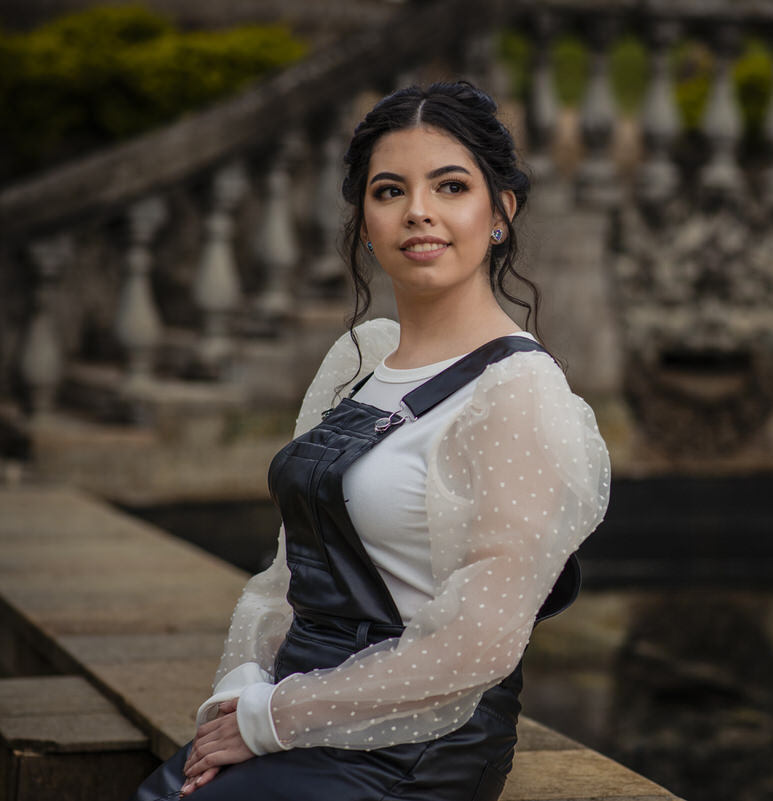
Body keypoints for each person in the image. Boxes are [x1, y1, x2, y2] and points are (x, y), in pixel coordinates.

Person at [129, 81, 610, 801]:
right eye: (390, 190)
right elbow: (282, 574)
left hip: (414, 748)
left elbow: (478, 642)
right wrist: (238, 691)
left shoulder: (519, 392)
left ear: (501, 212)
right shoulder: (357, 357)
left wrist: (271, 720)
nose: (419, 210)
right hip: (290, 707)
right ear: (363, 221)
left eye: (450, 185)